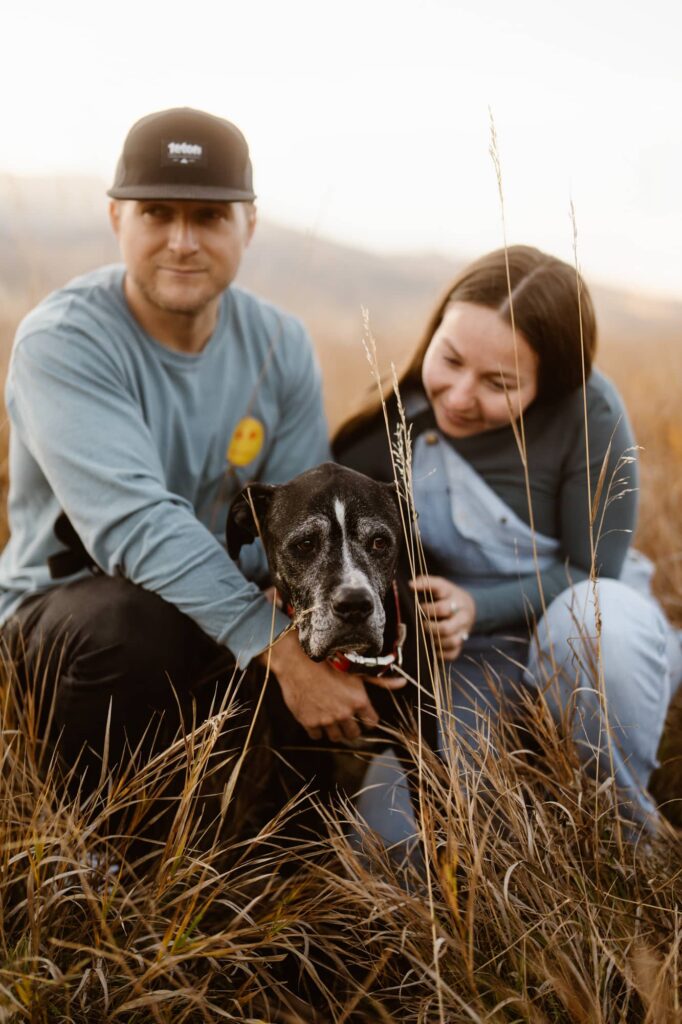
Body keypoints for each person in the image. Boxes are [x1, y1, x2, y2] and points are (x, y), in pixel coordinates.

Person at [0, 107, 403, 812]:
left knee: (377, 616)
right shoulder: (63, 342)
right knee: (129, 627)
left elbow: (300, 530)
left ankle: (309, 843)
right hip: (70, 622)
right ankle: (91, 843)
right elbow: (134, 524)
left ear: (248, 223)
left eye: (209, 216)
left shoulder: (279, 343)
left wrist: (332, 639)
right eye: (157, 211)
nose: (182, 241)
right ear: (116, 217)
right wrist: (274, 645)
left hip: (225, 616)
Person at [334, 244, 681, 838]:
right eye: (450, 360)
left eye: (500, 383)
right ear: (436, 328)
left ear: (552, 383)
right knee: (397, 840)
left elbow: (596, 572)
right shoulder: (387, 426)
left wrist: (477, 605)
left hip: (587, 625)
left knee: (596, 637)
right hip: (473, 658)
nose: (461, 395)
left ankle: (629, 832)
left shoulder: (589, 413)